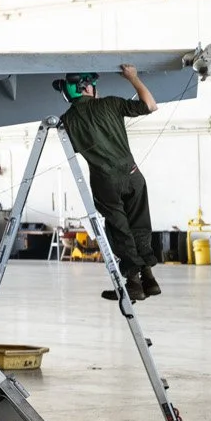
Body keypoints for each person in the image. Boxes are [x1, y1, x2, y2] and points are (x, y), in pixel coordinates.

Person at [58, 64, 162, 302]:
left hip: (105, 182)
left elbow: (73, 148)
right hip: (133, 175)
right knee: (140, 225)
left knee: (119, 230)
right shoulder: (111, 104)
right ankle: (149, 279)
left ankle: (134, 284)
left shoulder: (67, 120)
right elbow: (150, 105)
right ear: (88, 87)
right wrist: (133, 78)